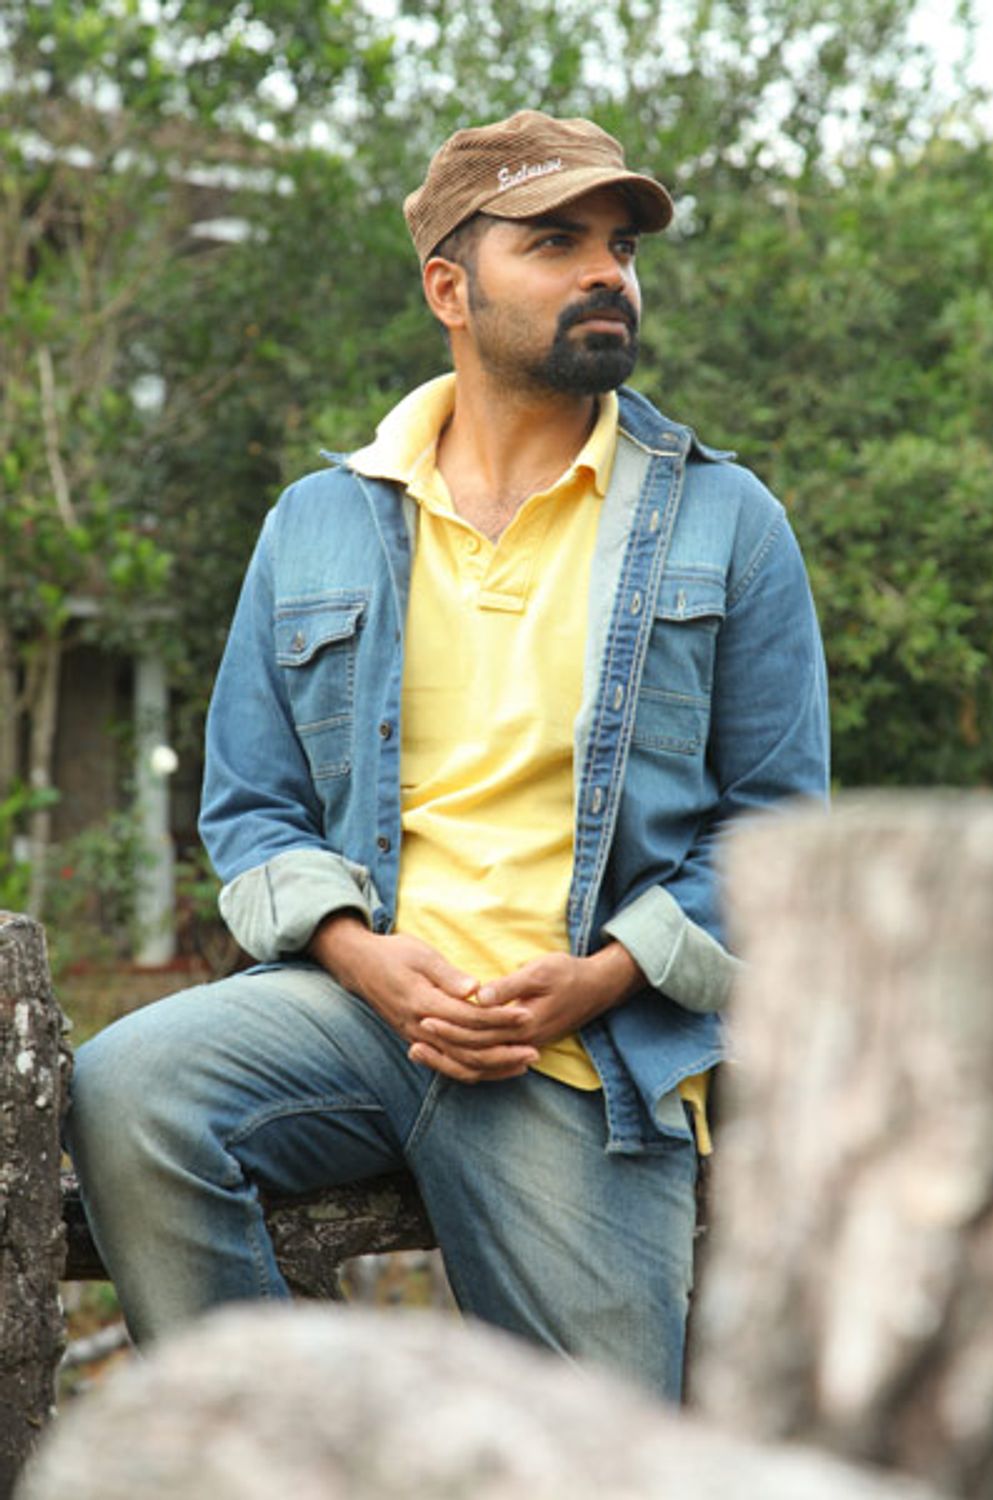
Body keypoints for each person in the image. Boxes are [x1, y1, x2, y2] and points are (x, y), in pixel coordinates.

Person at [66, 110, 828, 1399]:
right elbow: (250, 808)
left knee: (606, 1463)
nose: (609, 272)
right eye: (556, 242)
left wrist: (599, 978)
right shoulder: (315, 523)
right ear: (449, 290)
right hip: (359, 1014)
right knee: (132, 1087)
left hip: (586, 1060)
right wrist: (360, 956)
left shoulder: (727, 520)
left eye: (622, 245)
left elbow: (776, 832)